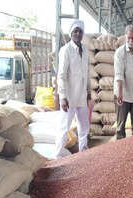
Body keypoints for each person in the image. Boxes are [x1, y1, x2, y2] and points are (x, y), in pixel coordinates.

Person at [55, 19, 90, 158]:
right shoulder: (66, 50)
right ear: (71, 33)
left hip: (81, 95)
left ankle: (83, 150)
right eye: (75, 31)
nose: (77, 33)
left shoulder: (85, 50)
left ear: (83, 34)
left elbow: (87, 72)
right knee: (64, 127)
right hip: (69, 97)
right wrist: (62, 96)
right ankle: (57, 154)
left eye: (80, 31)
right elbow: (61, 75)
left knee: (84, 126)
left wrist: (88, 91)